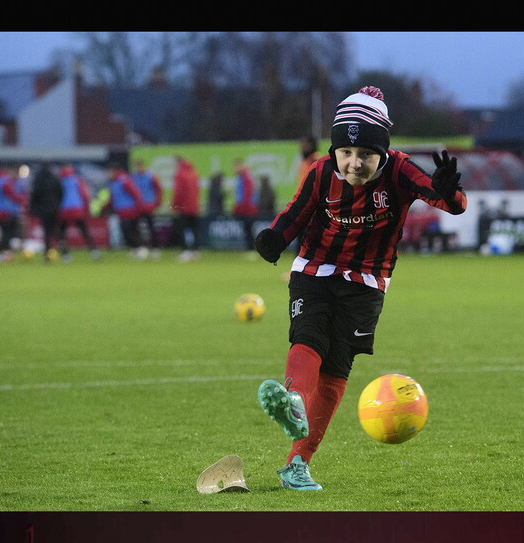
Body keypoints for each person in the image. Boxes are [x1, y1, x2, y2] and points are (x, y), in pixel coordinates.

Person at [252, 86, 467, 491]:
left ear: (382, 154)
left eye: (365, 155)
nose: (353, 164)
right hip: (315, 270)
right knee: (308, 336)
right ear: (334, 151)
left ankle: (297, 464)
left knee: (336, 370)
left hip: (367, 281)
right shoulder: (320, 172)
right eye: (345, 153)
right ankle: (293, 401)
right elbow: (295, 212)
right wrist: (275, 239)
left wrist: (449, 190)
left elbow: (452, 204)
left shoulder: (401, 170)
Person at [56, 164, 101, 262]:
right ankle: (94, 253)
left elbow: (56, 197)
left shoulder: (59, 182)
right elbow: (85, 195)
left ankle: (66, 256)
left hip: (64, 211)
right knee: (85, 232)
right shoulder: (77, 180)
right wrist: (86, 210)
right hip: (77, 209)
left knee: (61, 234)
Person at [101, 161, 146, 259]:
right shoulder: (113, 182)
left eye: (108, 172)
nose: (107, 174)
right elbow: (113, 198)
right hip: (122, 212)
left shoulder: (124, 180)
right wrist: (104, 207)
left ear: (114, 171)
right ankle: (135, 250)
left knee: (132, 231)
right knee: (126, 231)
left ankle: (141, 249)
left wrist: (139, 208)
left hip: (131, 211)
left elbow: (136, 194)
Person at [0, 164, 27, 263]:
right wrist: (22, 200)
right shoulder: (3, 182)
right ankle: (3, 253)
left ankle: (1, 253)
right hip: (4, 211)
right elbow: (12, 195)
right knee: (7, 233)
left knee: (2, 233)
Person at [28, 161, 63, 263]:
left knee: (47, 232)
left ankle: (47, 255)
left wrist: (34, 208)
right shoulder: (54, 178)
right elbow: (60, 192)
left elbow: (35, 194)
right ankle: (65, 253)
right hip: (54, 208)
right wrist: (57, 204)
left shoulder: (38, 178)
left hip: (44, 209)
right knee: (57, 231)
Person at [171, 156, 202, 262]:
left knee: (181, 229)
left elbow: (178, 192)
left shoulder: (180, 174)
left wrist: (175, 206)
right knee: (194, 229)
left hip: (184, 207)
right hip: (194, 206)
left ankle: (185, 251)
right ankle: (195, 251)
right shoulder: (194, 173)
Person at [131, 158, 164, 258]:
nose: (137, 168)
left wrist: (157, 203)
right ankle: (139, 248)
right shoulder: (133, 177)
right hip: (137, 207)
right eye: (136, 167)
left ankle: (155, 248)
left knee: (151, 228)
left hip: (148, 206)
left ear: (143, 166)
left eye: (139, 166)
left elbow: (159, 189)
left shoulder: (150, 177)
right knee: (135, 228)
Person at [232, 158, 259, 250]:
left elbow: (247, 193)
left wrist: (242, 207)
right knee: (247, 229)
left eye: (236, 166)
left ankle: (252, 248)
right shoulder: (243, 176)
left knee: (248, 229)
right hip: (246, 207)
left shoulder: (245, 176)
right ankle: (250, 248)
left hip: (248, 208)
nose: (235, 169)